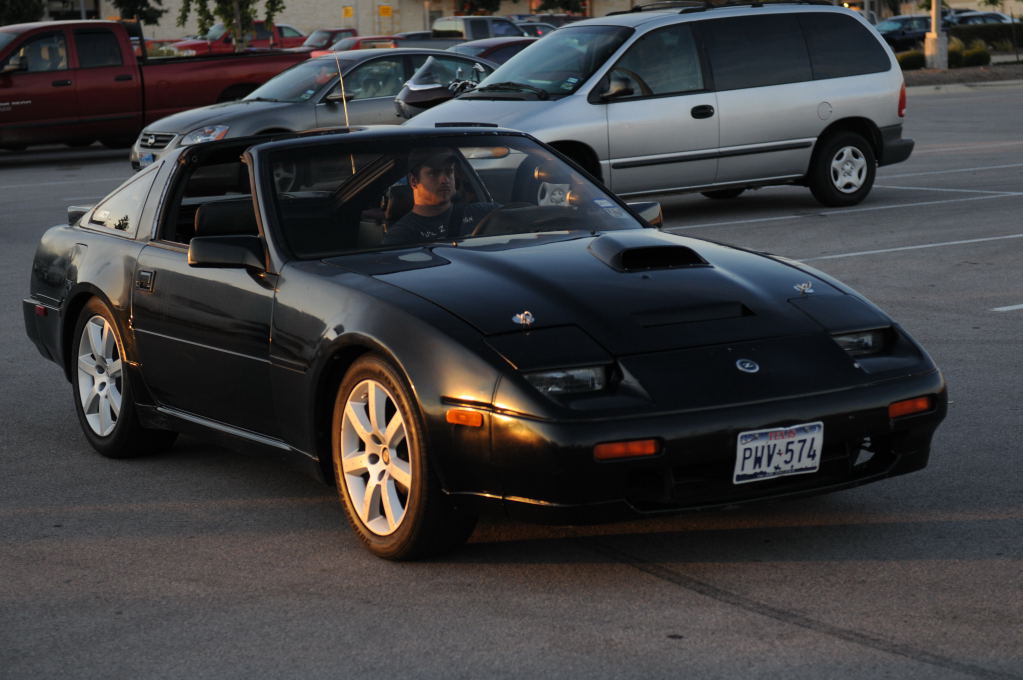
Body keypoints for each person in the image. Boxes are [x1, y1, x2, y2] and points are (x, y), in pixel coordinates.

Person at [383, 148, 495, 245]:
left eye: (449, 172)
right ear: (413, 181)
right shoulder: (400, 237)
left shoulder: (484, 213)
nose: (444, 180)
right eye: (434, 173)